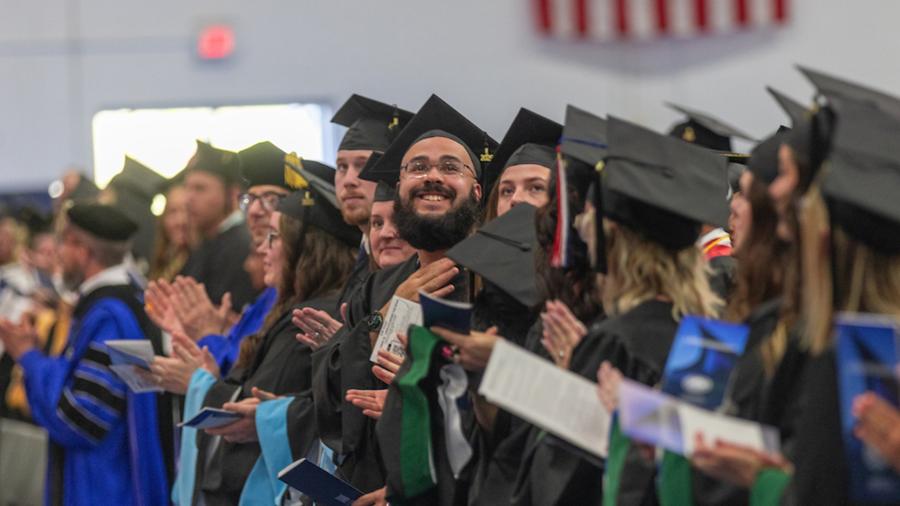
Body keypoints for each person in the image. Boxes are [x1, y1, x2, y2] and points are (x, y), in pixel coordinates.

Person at [190, 173, 359, 505]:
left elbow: (251, 406)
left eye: (273, 239)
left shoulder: (306, 318)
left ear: (305, 251)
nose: (262, 251)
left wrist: (197, 380)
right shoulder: (290, 308)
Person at [0, 203, 168, 505]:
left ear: (80, 248)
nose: (58, 256)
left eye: (63, 243)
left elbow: (80, 418)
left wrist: (29, 357)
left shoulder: (111, 316)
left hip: (105, 488)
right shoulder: (129, 300)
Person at [178, 140, 257, 311]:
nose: (188, 199)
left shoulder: (242, 246)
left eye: (200, 189)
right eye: (187, 188)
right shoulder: (208, 242)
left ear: (233, 194)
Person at [149, 173, 193, 281]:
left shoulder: (200, 266)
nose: (180, 221)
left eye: (187, 211)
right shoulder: (166, 259)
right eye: (173, 212)